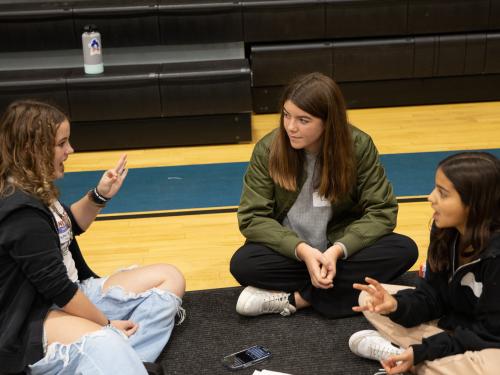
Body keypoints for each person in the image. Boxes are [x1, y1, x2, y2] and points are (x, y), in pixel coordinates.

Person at [0, 100, 186, 374]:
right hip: (37, 314)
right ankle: (116, 357)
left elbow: (69, 224)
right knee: (105, 340)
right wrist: (107, 324)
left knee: (170, 277)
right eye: (62, 143)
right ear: (32, 150)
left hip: (73, 291)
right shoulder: (21, 212)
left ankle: (128, 363)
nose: (70, 150)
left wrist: (101, 195)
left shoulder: (35, 188)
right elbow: (59, 290)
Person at [230, 72, 418, 319]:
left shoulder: (358, 146)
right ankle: (339, 293)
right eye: (286, 115)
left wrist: (338, 250)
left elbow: (382, 212)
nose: (290, 127)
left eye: (303, 120)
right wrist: (303, 251)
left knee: (403, 249)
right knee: (244, 263)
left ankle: (297, 299)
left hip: (339, 251)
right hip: (293, 254)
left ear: (329, 122)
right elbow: (252, 218)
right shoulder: (268, 148)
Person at [349, 152, 500, 375]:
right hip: (456, 325)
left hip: (490, 338)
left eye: (443, 193)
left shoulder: (496, 256)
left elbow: (490, 334)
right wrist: (395, 306)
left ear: (474, 203)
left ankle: (403, 355)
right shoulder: (445, 230)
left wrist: (427, 349)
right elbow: (432, 297)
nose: (431, 197)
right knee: (370, 297)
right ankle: (416, 358)